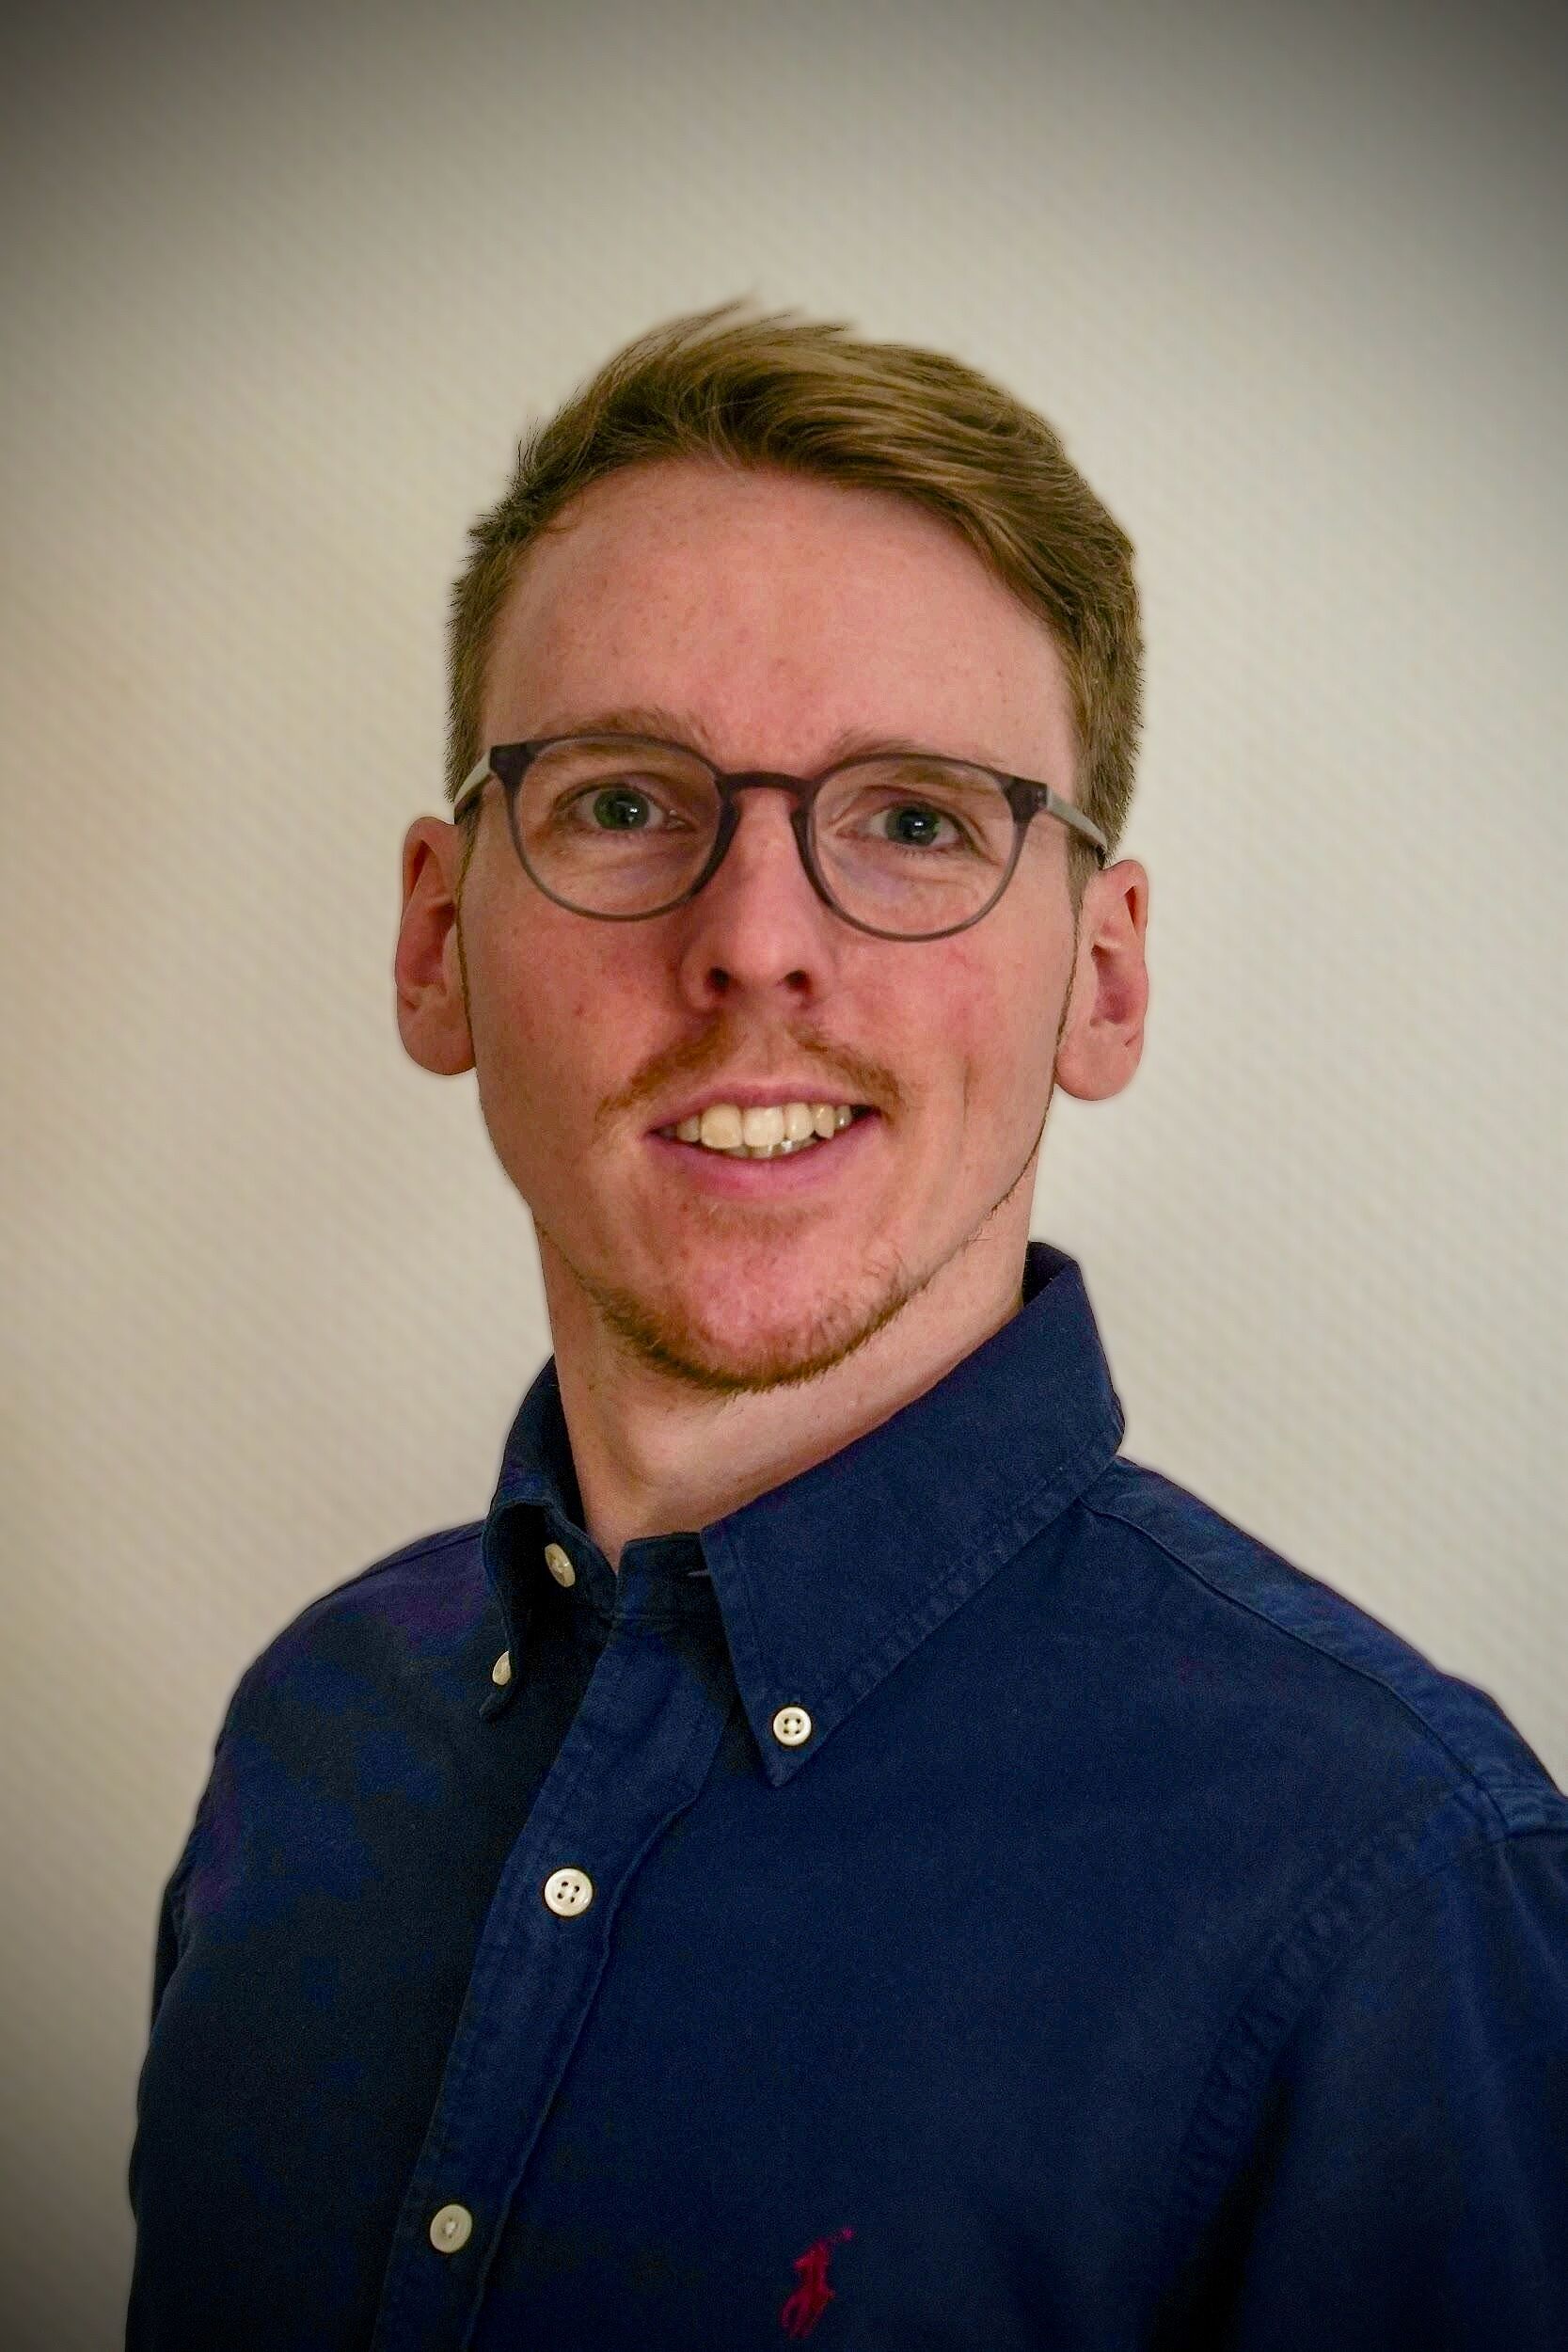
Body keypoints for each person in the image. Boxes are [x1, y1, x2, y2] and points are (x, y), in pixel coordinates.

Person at [128, 301, 1568, 2350]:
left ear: (1103, 978)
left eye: (913, 820)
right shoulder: (308, 1736)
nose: (754, 944)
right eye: (624, 801)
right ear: (439, 937)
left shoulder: (1395, 1884)